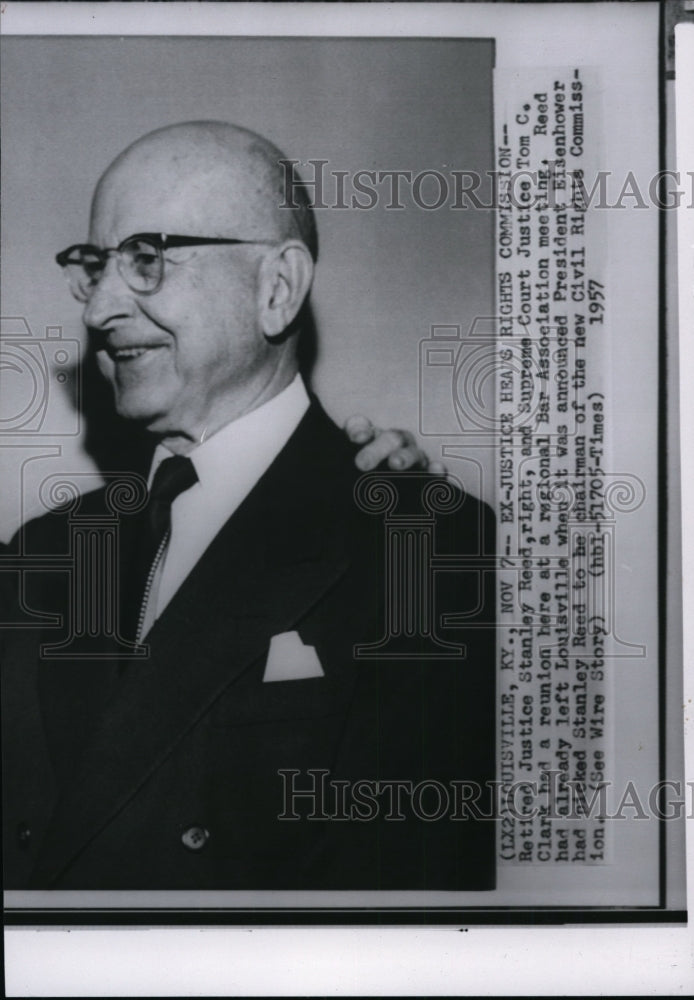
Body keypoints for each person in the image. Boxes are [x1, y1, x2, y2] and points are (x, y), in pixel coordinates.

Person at [1, 121, 495, 891]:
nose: (98, 308)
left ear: (277, 289)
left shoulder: (426, 549)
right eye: (94, 267)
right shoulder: (39, 555)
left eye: (146, 260)